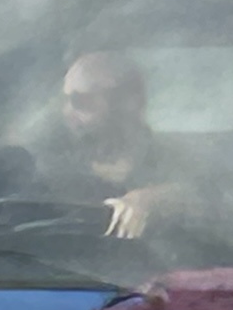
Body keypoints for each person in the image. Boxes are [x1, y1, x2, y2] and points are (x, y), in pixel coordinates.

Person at [54, 51, 180, 239]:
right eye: (66, 101)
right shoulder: (48, 165)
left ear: (130, 103)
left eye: (81, 101)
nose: (67, 112)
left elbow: (212, 201)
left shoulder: (174, 161)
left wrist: (151, 200)